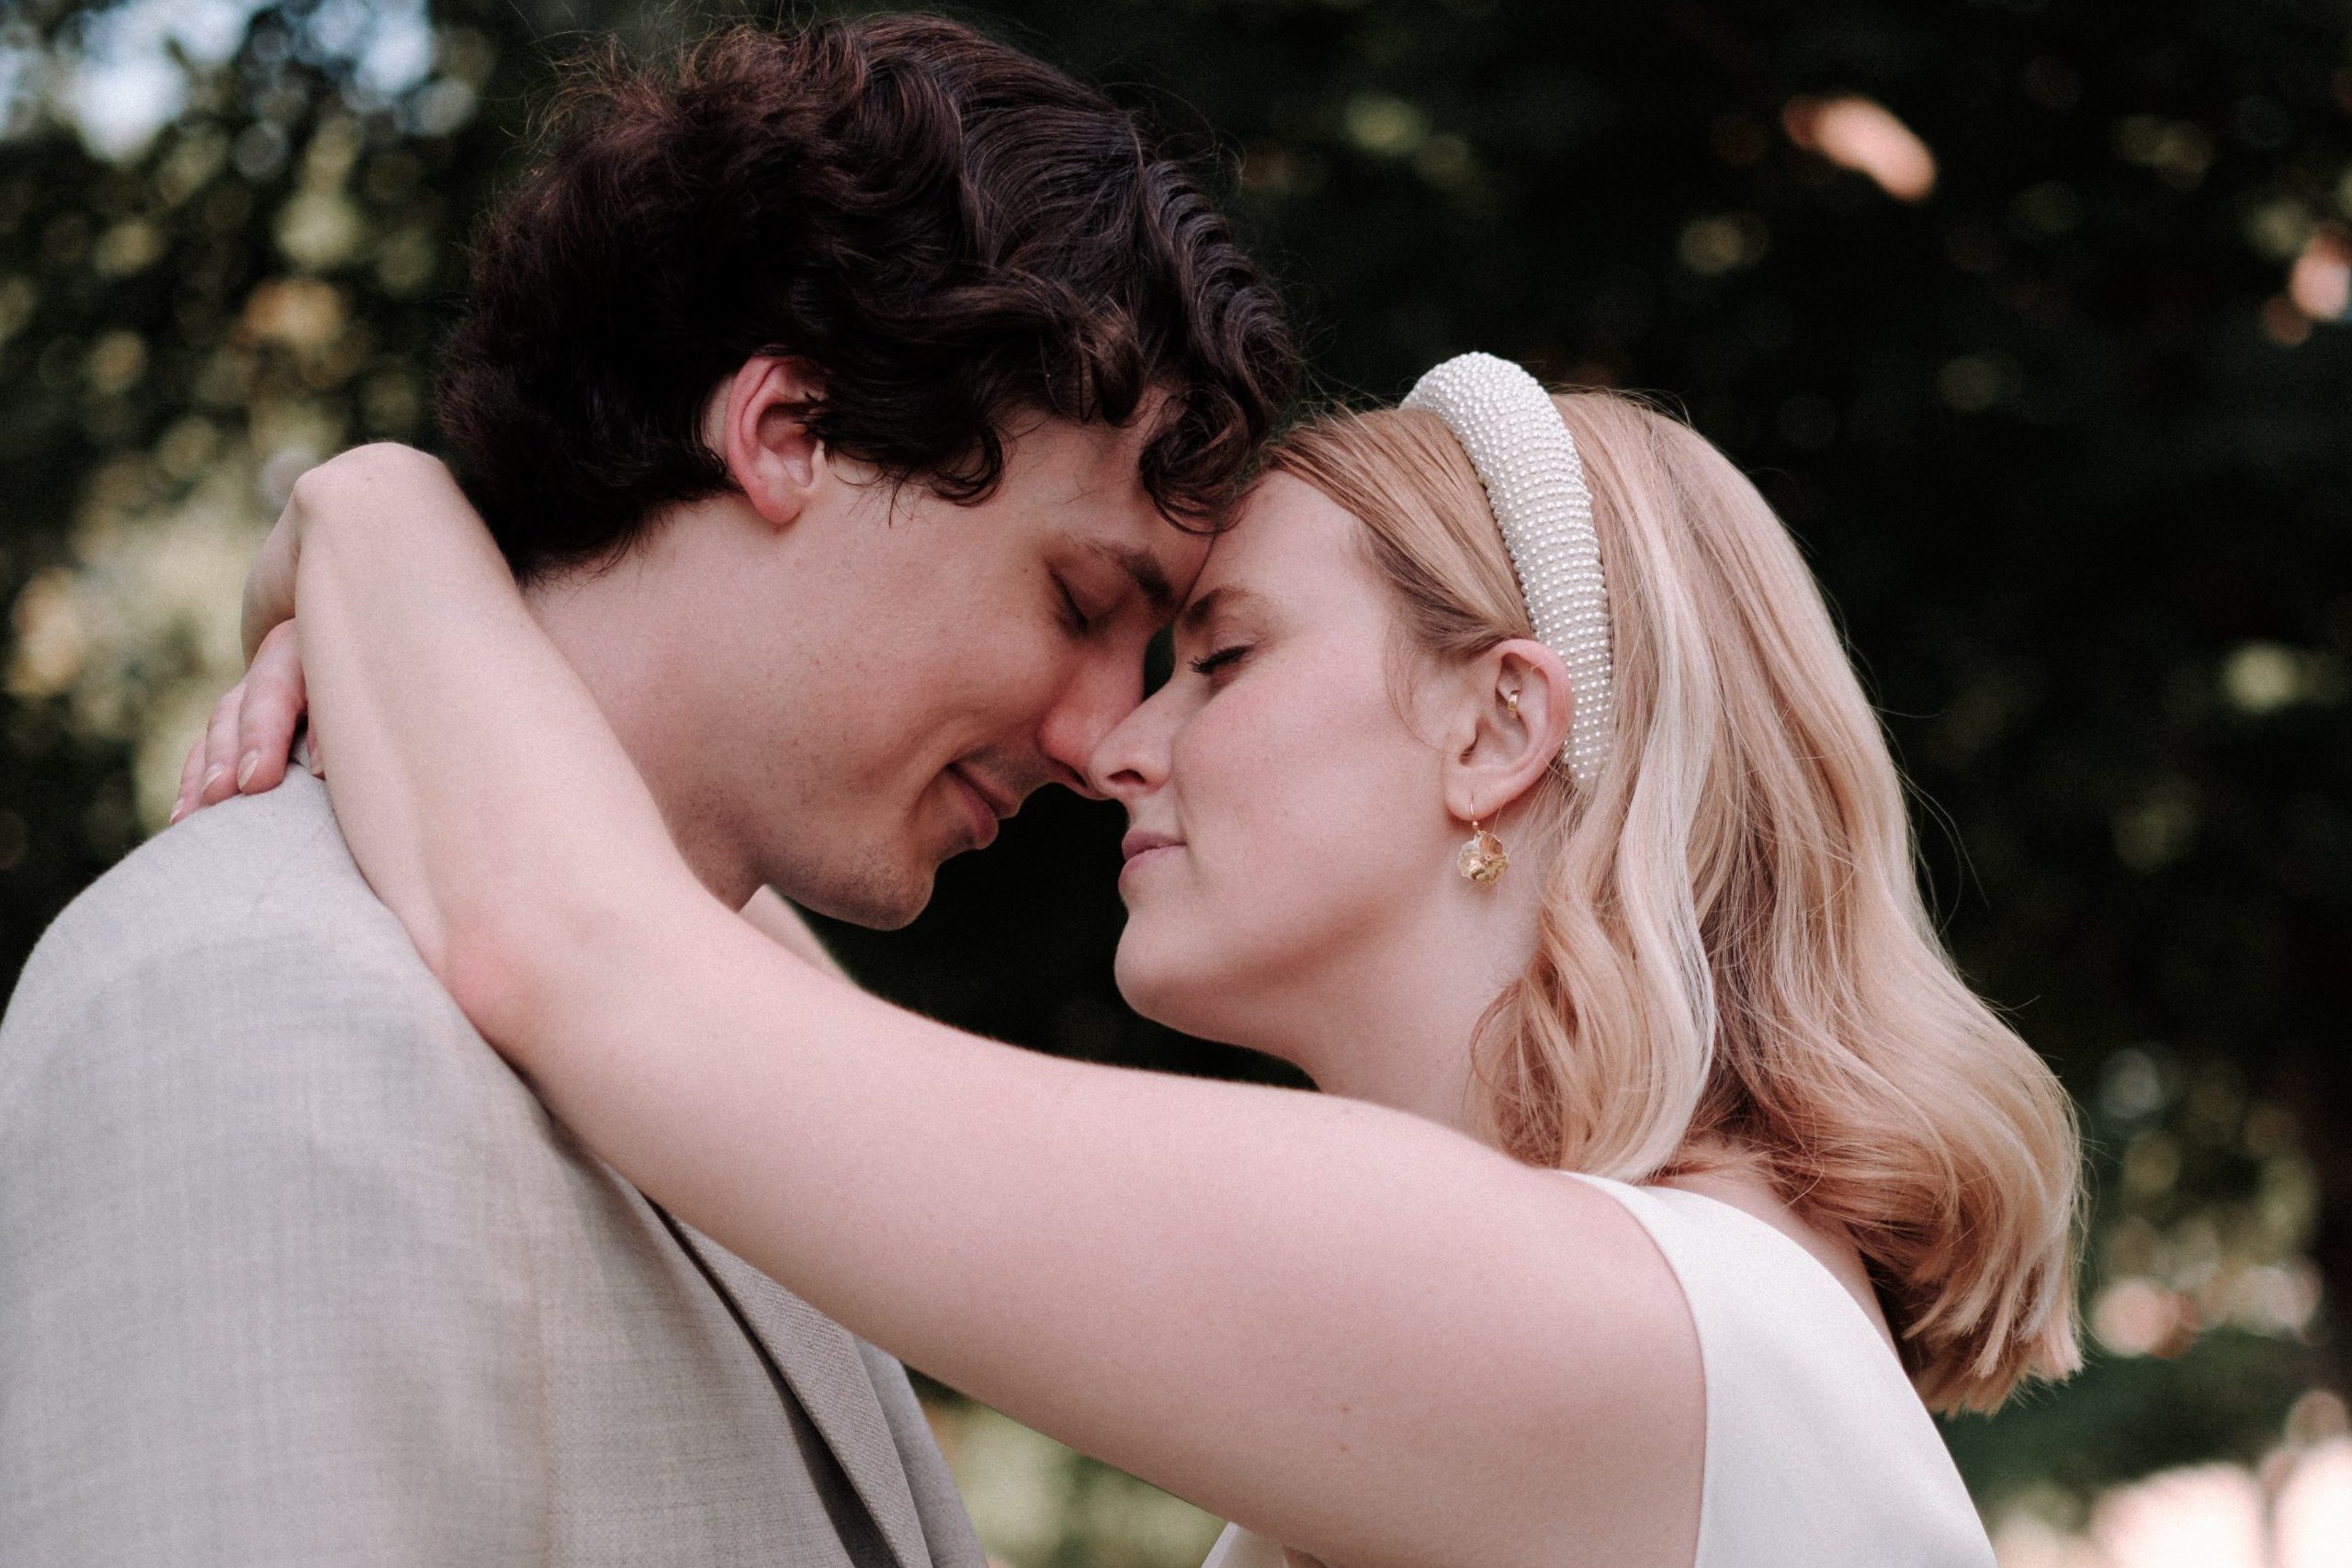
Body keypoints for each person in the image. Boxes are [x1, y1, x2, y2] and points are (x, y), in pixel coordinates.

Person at [198, 355, 2084, 1568]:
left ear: (1495, 729)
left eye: (1225, 655)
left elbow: (606, 969)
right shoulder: (1661, 1315)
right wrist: (456, 666)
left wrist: (373, 506)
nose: (1115, 743)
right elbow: (701, 933)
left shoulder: (1607, 1323)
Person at [0, 16, 1292, 1565]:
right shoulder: (257, 1003)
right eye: (1082, 604)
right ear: (789, 433)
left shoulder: (761, 1071)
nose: (1104, 740)